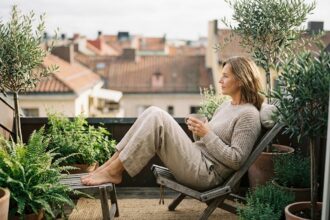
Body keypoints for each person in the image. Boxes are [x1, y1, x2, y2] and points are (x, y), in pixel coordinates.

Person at [81, 56, 263, 190]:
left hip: (207, 173)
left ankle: (113, 172)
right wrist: (198, 130)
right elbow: (209, 140)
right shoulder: (226, 105)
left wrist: (207, 134)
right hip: (197, 158)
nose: (220, 80)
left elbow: (237, 160)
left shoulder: (249, 115)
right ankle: (109, 167)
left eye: (225, 76)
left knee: (158, 117)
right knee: (152, 111)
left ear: (240, 81)